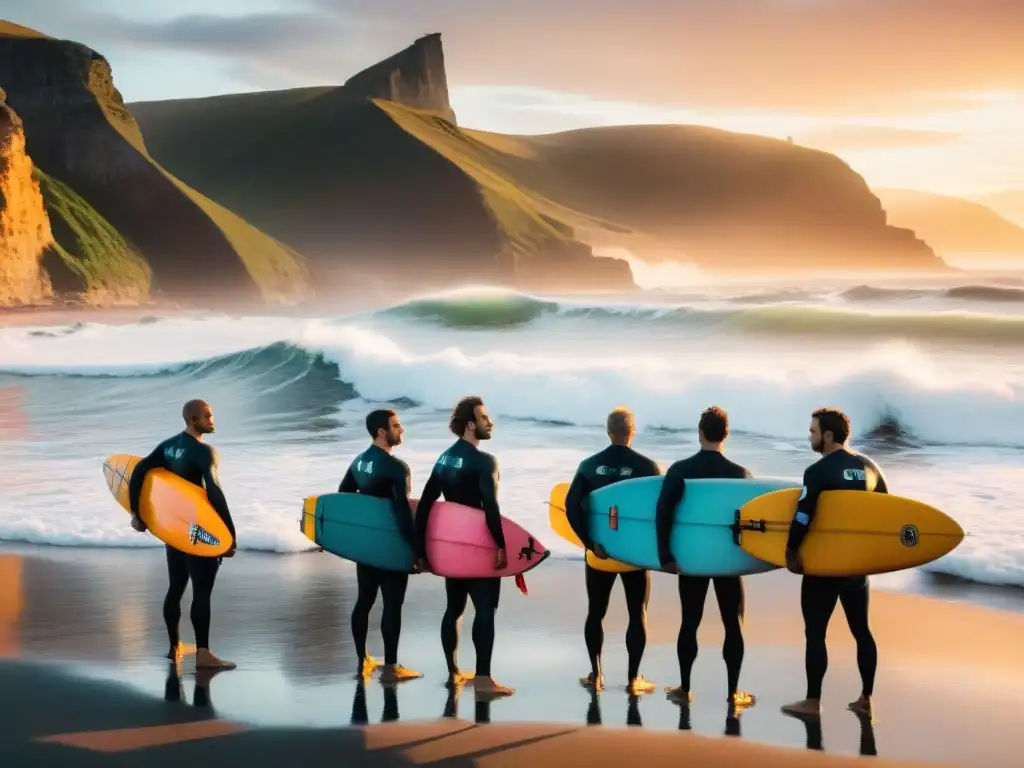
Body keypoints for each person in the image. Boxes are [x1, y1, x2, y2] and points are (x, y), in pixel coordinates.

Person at [782, 407, 887, 718]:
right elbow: (888, 513)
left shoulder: (818, 471)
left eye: (813, 431)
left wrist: (791, 551)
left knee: (816, 633)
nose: (810, 436)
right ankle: (866, 699)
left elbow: (803, 514)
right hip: (856, 568)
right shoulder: (869, 468)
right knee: (862, 631)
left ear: (828, 436)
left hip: (824, 567)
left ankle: (813, 702)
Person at [415, 396, 513, 700]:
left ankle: (453, 674)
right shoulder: (485, 461)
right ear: (470, 425)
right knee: (485, 609)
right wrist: (501, 544)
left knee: (454, 609)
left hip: (453, 548)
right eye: (484, 418)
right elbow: (490, 507)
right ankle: (483, 679)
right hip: (479, 546)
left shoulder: (443, 459)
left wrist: (421, 550)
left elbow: (426, 505)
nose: (490, 422)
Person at [656, 406, 754, 710]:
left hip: (693, 559)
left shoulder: (680, 470)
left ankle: (684, 688)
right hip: (727, 562)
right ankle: (733, 692)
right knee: (733, 625)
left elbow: (663, 513)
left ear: (700, 432)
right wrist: (749, 560)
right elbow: (750, 523)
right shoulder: (741, 475)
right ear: (726, 434)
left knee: (689, 622)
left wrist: (665, 555)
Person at [128, 399, 236, 671]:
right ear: (192, 419)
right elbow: (213, 491)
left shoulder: (169, 446)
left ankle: (174, 647)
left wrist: (137, 514)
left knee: (176, 588)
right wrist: (229, 535)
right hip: (199, 530)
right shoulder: (205, 452)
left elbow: (140, 470)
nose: (212, 420)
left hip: (175, 529)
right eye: (207, 416)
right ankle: (203, 655)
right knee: (201, 593)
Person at [564, 406, 661, 695]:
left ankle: (596, 675)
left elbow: (571, 507)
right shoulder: (648, 467)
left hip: (600, 554)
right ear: (632, 431)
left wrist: (589, 543)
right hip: (633, 556)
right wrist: (650, 548)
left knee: (596, 611)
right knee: (637, 612)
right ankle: (633, 680)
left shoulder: (589, 465)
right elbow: (659, 511)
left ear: (608, 432)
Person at [338, 408, 422, 684]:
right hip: (391, 545)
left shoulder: (359, 462)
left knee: (365, 600)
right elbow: (401, 513)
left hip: (367, 548)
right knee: (392, 605)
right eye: (397, 426)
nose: (402, 430)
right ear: (382, 432)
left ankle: (363, 660)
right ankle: (390, 667)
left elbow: (343, 498)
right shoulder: (397, 468)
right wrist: (416, 550)